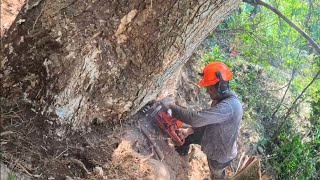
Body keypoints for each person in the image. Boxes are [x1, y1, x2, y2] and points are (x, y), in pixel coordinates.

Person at [161, 62, 243, 180]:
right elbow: (208, 121)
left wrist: (170, 106)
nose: (207, 91)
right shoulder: (220, 99)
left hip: (220, 153)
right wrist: (189, 130)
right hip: (213, 136)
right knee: (185, 137)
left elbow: (196, 119)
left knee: (215, 172)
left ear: (220, 86)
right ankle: (180, 160)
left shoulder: (229, 106)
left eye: (209, 88)